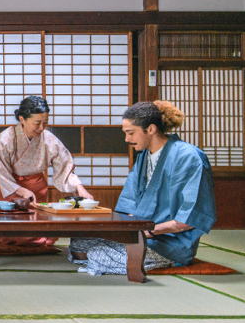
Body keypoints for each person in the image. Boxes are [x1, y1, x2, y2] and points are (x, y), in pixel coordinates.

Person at [69, 101, 216, 276]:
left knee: (98, 255)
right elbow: (129, 205)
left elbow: (190, 217)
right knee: (78, 244)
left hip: (171, 241)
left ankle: (167, 260)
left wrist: (150, 231)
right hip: (142, 233)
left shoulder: (189, 157)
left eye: (131, 133)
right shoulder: (145, 156)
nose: (127, 139)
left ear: (151, 129)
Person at [0, 96, 93, 246]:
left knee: (34, 232)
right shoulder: (5, 139)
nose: (41, 128)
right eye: (37, 123)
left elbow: (65, 167)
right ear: (22, 119)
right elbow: (2, 173)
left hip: (36, 186)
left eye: (45, 123)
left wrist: (79, 188)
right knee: (10, 232)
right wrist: (20, 190)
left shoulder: (49, 140)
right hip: (9, 187)